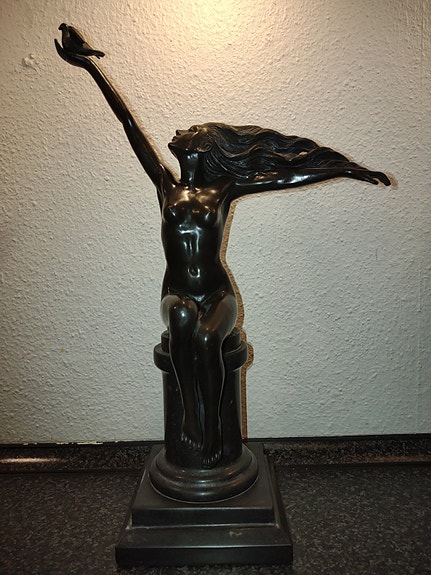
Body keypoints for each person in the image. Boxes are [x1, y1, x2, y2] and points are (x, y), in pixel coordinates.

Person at [55, 33, 391, 468]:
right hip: (177, 292)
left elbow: (284, 177)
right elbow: (128, 125)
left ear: (202, 146)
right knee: (181, 317)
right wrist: (89, 66)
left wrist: (344, 169)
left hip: (218, 294)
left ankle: (212, 423)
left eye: (190, 130)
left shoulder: (224, 189)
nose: (180, 131)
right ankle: (190, 415)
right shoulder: (165, 185)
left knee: (208, 336)